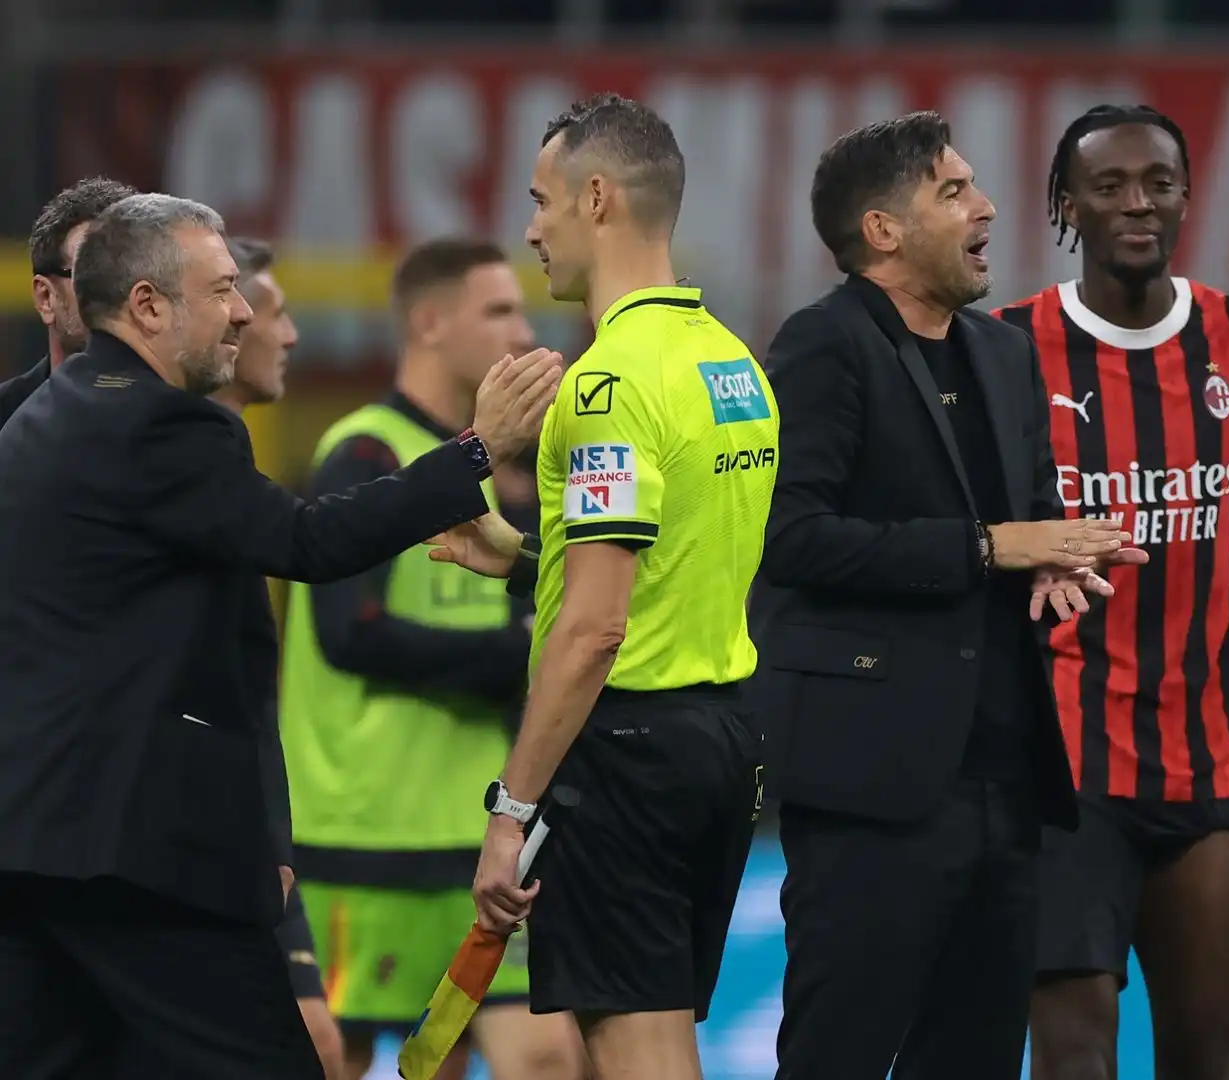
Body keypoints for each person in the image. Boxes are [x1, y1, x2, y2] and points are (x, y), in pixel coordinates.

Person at [0, 193, 558, 1078]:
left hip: (39, 840)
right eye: (223, 289)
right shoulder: (158, 423)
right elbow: (309, 542)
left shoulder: (42, 417)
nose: (247, 311)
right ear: (148, 305)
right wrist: (476, 450)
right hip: (141, 852)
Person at [752, 110, 1145, 1080]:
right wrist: (991, 546)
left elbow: (1031, 511)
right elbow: (791, 539)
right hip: (872, 792)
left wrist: (1058, 559)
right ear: (884, 231)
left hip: (1006, 786)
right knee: (835, 1057)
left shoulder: (1005, 355)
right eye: (956, 191)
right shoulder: (821, 346)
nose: (989, 207)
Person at [995, 104, 1229, 1080]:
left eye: (1158, 184)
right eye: (1110, 185)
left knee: (1209, 1064)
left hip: (1216, 766)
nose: (1137, 204)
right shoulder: (1004, 350)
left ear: (1186, 200)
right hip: (1061, 769)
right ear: (1064, 206)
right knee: (1073, 1058)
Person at [448, 92, 774, 1080]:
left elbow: (595, 631)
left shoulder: (605, 386)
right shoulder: (733, 365)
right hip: (721, 742)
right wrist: (527, 559)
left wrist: (513, 811)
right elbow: (674, 560)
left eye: (542, 201)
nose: (532, 229)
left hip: (626, 753)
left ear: (597, 199)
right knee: (661, 1036)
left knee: (633, 1049)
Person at [277, 237, 585, 1080]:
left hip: (478, 825)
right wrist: (515, 657)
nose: (522, 330)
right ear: (429, 322)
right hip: (366, 826)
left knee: (544, 1057)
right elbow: (352, 632)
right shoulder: (366, 451)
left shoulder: (506, 479)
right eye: (498, 310)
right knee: (348, 1059)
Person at [206, 236, 349, 1080]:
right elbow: (316, 548)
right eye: (267, 308)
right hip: (183, 837)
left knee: (324, 1050)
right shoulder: (156, 462)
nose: (285, 332)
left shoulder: (228, 463)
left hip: (262, 833)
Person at [0, 176, 138, 427]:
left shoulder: (194, 425)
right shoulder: (5, 419)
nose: (121, 291)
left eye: (134, 274)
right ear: (45, 298)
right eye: (93, 273)